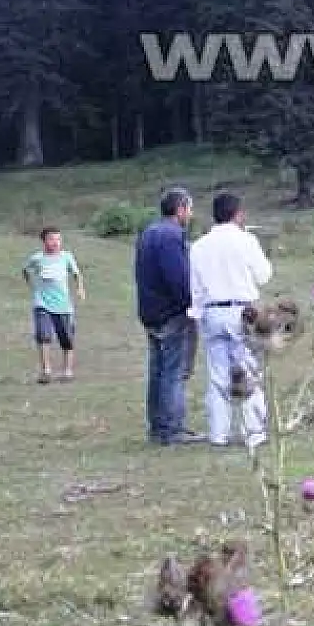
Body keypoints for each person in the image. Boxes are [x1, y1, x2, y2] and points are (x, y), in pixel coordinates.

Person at [190, 191, 273, 449]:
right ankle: (254, 431)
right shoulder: (246, 240)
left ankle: (218, 432)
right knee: (248, 370)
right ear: (238, 214)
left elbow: (196, 286)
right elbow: (263, 276)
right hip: (241, 310)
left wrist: (199, 312)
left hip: (212, 310)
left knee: (217, 374)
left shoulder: (199, 245)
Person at [136, 186, 203, 446]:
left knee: (158, 371)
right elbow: (178, 278)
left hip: (150, 311)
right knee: (173, 372)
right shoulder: (172, 236)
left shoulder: (148, 233)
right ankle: (172, 429)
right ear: (180, 209)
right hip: (170, 313)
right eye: (189, 209)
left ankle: (157, 427)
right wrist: (191, 304)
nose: (191, 214)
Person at [23, 226, 84, 384]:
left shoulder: (66, 257)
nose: (55, 242)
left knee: (67, 339)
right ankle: (46, 371)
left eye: (58, 239)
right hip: (42, 303)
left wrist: (80, 289)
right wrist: (33, 285)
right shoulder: (37, 258)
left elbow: (76, 274)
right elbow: (26, 270)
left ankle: (67, 371)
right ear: (44, 241)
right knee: (43, 336)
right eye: (51, 239)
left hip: (63, 305)